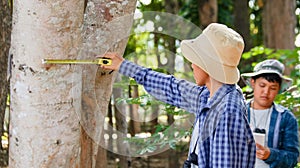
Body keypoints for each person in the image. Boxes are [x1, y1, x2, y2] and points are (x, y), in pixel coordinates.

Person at [101, 23, 256, 167]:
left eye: (195, 60)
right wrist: (123, 65)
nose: (192, 65)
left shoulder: (226, 111)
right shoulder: (208, 96)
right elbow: (171, 87)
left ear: (206, 65)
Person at [241, 59, 299, 168]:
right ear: (253, 83)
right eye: (262, 85)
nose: (266, 92)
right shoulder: (238, 112)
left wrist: (270, 155)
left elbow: (293, 158)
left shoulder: (286, 118)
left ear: (279, 89)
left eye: (272, 88)